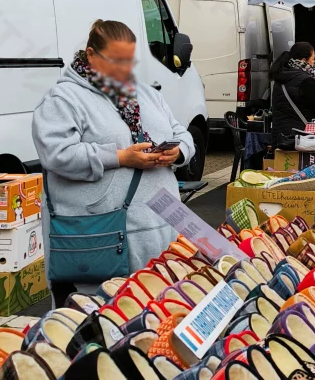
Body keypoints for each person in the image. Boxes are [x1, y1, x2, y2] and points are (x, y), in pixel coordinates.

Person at [32, 20, 196, 307]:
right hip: (103, 234)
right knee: (100, 320)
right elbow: (57, 154)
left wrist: (179, 151)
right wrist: (121, 157)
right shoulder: (63, 99)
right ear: (92, 55)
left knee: (158, 313)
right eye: (116, 61)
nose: (125, 69)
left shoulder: (146, 94)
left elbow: (180, 132)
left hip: (162, 224)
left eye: (129, 61)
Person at [270, 42, 315, 148]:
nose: (314, 63)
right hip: (300, 140)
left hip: (281, 138)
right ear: (304, 60)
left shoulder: (281, 77)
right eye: (313, 59)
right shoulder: (306, 80)